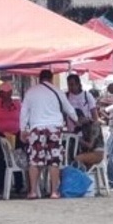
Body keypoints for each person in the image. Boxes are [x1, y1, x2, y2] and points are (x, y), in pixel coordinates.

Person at [20, 69, 79, 199]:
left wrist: (22, 129)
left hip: (36, 128)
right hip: (54, 128)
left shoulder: (31, 92)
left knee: (34, 161)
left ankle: (33, 191)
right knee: (54, 161)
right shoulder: (57, 91)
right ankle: (53, 192)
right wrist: (76, 120)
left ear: (39, 78)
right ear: (51, 79)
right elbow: (69, 109)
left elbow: (24, 112)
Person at [0, 82, 25, 196]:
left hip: (16, 134)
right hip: (2, 135)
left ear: (11, 93)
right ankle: (0, 187)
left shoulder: (17, 103)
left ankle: (19, 186)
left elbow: (25, 115)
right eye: (4, 93)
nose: (6, 95)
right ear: (1, 93)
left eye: (9, 93)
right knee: (2, 160)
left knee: (18, 159)